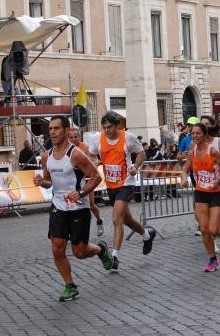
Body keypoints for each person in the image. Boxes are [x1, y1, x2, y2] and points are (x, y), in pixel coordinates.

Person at [33, 116, 113, 301]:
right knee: (57, 248)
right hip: (58, 207)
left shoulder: (76, 154)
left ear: (67, 131)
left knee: (79, 252)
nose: (52, 132)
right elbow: (49, 182)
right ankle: (70, 285)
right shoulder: (47, 156)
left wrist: (82, 193)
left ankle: (101, 250)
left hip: (78, 208)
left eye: (56, 128)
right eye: (50, 129)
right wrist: (41, 182)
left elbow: (95, 177)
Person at [88, 111, 156, 272]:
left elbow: (141, 153)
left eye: (110, 127)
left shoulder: (128, 137)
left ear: (118, 125)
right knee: (127, 219)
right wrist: (95, 160)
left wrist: (135, 166)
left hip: (126, 182)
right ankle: (146, 235)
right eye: (104, 127)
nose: (107, 130)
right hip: (111, 184)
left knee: (116, 218)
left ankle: (114, 256)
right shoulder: (99, 139)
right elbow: (91, 154)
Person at [181, 123, 220, 272]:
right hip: (201, 193)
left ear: (205, 135)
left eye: (198, 133)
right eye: (193, 133)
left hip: (216, 192)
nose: (195, 136)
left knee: (213, 230)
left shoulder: (213, 151)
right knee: (204, 230)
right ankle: (213, 260)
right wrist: (184, 178)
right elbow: (185, 168)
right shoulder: (192, 152)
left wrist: (219, 179)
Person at [68, 129, 105, 237]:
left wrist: (94, 162)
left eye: (75, 137)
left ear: (79, 137)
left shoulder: (84, 147)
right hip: (71, 182)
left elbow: (95, 160)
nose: (73, 139)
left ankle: (99, 220)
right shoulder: (67, 148)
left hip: (86, 180)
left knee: (91, 205)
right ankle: (72, 229)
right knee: (71, 205)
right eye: (71, 137)